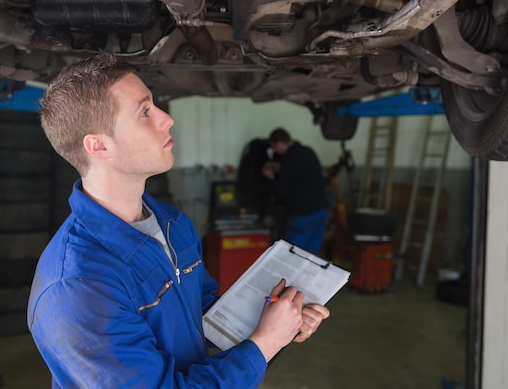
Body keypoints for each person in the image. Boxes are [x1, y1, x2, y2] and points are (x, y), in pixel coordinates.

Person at [27, 52, 330, 388]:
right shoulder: (78, 287)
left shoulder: (173, 225)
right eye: (144, 112)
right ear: (98, 146)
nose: (166, 119)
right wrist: (265, 343)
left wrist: (278, 321)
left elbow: (203, 316)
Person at [261, 128, 329, 254]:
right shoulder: (308, 151)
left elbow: (282, 192)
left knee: (293, 253)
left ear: (280, 143)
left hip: (303, 215)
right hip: (321, 211)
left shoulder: (288, 159)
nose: (276, 151)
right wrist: (282, 169)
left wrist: (272, 178)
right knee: (313, 254)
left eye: (275, 147)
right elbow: (303, 174)